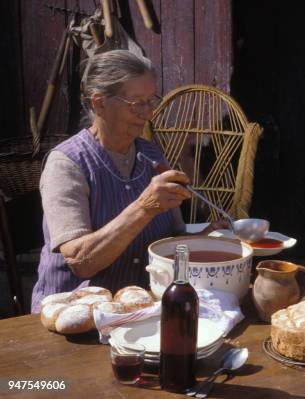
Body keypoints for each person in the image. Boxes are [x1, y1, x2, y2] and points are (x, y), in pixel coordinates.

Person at [31, 50, 227, 313]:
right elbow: (80, 261)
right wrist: (144, 207)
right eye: (136, 102)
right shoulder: (66, 164)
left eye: (151, 100)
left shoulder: (151, 154)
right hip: (76, 317)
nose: (148, 113)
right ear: (99, 103)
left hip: (139, 310)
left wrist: (206, 238)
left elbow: (171, 238)